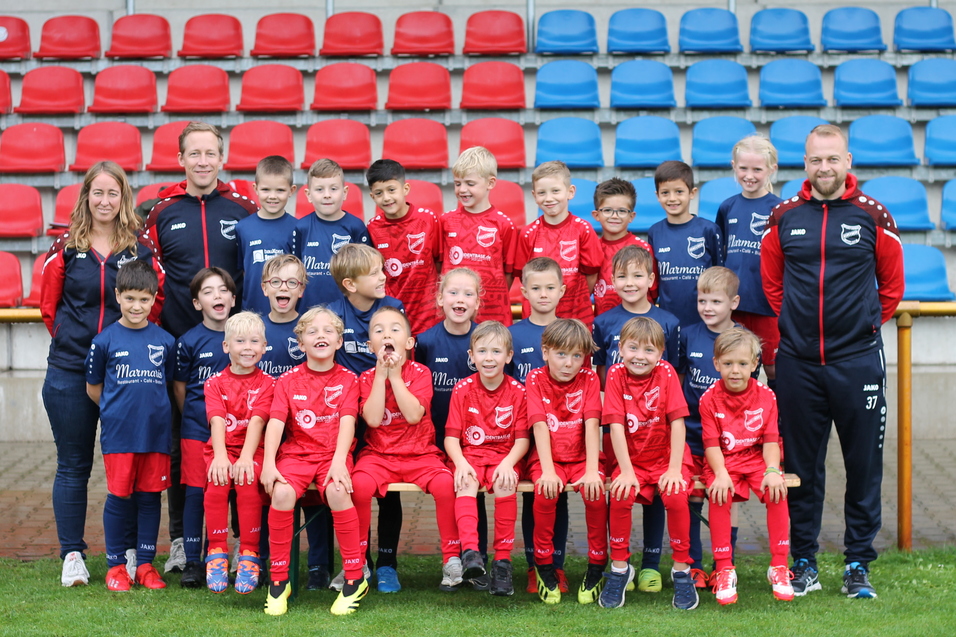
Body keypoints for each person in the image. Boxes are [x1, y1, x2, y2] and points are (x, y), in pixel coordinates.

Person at [761, 124, 904, 599]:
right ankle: (804, 560)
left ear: (848, 162)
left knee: (863, 465)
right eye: (816, 160)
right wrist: (798, 330)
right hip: (799, 364)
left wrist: (861, 329)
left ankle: (858, 563)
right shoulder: (784, 216)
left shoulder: (874, 215)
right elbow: (773, 285)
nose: (825, 168)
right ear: (806, 164)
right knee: (801, 465)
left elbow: (891, 287)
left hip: (858, 362)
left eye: (833, 159)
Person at [140, 121, 257, 571]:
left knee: (239, 438)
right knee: (182, 445)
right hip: (179, 344)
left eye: (211, 153)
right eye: (195, 154)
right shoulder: (159, 210)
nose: (203, 161)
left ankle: (230, 540)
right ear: (181, 160)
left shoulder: (243, 207)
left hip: (235, 347)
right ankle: (182, 542)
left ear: (221, 159)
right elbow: (149, 278)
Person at [41, 161, 163, 587]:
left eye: (113, 193)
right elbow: (48, 307)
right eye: (98, 193)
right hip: (69, 372)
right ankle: (71, 554)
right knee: (73, 465)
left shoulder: (140, 249)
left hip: (128, 377)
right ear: (86, 197)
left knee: (126, 465)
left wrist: (125, 351)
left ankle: (128, 554)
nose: (105, 201)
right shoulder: (65, 248)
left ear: (123, 198)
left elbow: (156, 302)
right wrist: (79, 346)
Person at [260, 308, 368, 616]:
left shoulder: (349, 379)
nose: (320, 336)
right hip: (297, 454)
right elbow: (276, 423)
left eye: (328, 331)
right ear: (301, 343)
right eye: (312, 332)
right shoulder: (287, 381)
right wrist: (269, 462)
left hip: (334, 454)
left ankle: (354, 577)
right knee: (280, 493)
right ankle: (279, 582)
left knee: (337, 491)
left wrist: (338, 462)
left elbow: (348, 422)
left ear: (338, 342)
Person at [350, 307, 462, 592]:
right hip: (379, 455)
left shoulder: (421, 373)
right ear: (370, 346)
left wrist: (396, 377)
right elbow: (373, 419)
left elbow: (414, 415)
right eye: (378, 330)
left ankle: (451, 559)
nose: (387, 334)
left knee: (445, 484)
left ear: (410, 343)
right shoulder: (365, 378)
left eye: (395, 329)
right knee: (359, 485)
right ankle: (358, 561)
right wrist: (380, 376)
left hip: (419, 453)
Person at [592, 244, 679, 594]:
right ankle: (621, 562)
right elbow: (599, 376)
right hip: (619, 426)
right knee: (623, 490)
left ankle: (651, 565)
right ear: (612, 280)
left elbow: (673, 374)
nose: (630, 283)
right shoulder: (603, 321)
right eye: (623, 276)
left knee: (658, 492)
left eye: (638, 276)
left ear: (651, 280)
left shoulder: (669, 322)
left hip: (657, 427)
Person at [85, 260, 175, 591]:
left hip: (155, 435)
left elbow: (165, 385)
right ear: (118, 296)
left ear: (154, 300)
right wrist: (115, 411)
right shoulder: (104, 341)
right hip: (120, 435)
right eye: (130, 299)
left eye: (145, 299)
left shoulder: (165, 341)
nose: (137, 306)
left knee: (151, 498)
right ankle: (116, 567)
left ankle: (146, 566)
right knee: (119, 497)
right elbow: (94, 388)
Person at [600, 317, 698, 611]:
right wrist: (626, 470)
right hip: (632, 460)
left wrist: (673, 468)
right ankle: (620, 568)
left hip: (668, 457)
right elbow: (615, 427)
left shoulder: (667, 373)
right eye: (633, 348)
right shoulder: (615, 375)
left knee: (677, 496)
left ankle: (681, 570)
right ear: (621, 348)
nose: (640, 357)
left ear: (661, 353)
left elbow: (678, 423)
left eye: (649, 350)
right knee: (619, 495)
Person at [327, 244, 405, 593]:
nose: (383, 276)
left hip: (386, 407)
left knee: (389, 490)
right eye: (374, 273)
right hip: (345, 412)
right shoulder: (333, 314)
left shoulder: (393, 309)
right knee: (351, 488)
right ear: (351, 284)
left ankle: (387, 563)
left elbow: (402, 357)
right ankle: (358, 562)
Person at [701, 327, 792, 605]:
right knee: (720, 494)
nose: (735, 371)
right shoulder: (708, 399)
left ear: (754, 364)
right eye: (728, 364)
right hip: (723, 461)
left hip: (756, 458)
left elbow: (770, 440)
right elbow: (712, 444)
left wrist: (773, 470)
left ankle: (778, 565)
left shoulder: (766, 396)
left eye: (742, 364)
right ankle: (724, 567)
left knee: (777, 491)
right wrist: (719, 474)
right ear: (716, 363)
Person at [525, 319, 608, 605]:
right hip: (549, 458)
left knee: (595, 494)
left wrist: (592, 471)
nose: (569, 363)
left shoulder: (589, 378)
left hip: (583, 456)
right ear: (545, 351)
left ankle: (597, 566)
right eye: (561, 354)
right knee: (544, 494)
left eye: (577, 356)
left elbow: (592, 424)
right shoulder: (535, 378)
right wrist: (547, 471)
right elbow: (538, 426)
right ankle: (544, 566)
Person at [444, 321, 529, 597]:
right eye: (482, 351)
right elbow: (451, 439)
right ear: (471, 356)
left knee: (506, 483)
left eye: (496, 351)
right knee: (465, 482)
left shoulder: (518, 391)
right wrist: (461, 464)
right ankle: (471, 553)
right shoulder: (462, 389)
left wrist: (507, 463)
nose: (489, 358)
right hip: (471, 455)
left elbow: (522, 440)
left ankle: (502, 562)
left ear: (509, 356)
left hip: (504, 456)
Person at [507, 257, 572, 594]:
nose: (543, 294)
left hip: (561, 433)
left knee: (555, 496)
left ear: (562, 290)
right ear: (523, 292)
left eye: (550, 288)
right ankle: (534, 565)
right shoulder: (512, 334)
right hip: (520, 433)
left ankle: (555, 565)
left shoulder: (570, 333)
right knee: (531, 499)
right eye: (536, 288)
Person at [202, 312, 275, 594]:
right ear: (226, 346)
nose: (247, 347)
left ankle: (249, 554)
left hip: (253, 450)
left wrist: (245, 457)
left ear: (264, 346)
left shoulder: (269, 383)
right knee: (217, 484)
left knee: (246, 483)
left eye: (254, 341)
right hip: (222, 447)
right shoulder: (214, 383)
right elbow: (217, 419)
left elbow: (258, 420)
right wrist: (221, 457)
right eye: (240, 340)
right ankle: (217, 553)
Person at [677, 266, 741, 587]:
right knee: (692, 496)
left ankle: (723, 565)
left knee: (725, 496)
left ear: (733, 302)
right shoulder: (688, 335)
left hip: (729, 440)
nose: (707, 308)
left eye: (716, 301)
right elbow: (677, 383)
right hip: (691, 434)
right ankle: (695, 565)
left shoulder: (741, 340)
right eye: (703, 300)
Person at [173, 268, 236, 587]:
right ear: (197, 303)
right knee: (197, 495)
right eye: (209, 292)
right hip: (197, 432)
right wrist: (201, 421)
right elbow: (181, 388)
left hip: (237, 434)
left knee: (230, 495)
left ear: (233, 298)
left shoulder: (243, 336)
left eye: (223, 290)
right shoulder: (189, 341)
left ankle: (223, 555)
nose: (217, 296)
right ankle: (193, 562)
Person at [716, 136, 782, 390]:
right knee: (740, 365)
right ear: (734, 166)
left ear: (771, 169)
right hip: (736, 306)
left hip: (769, 305)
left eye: (757, 169)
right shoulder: (727, 207)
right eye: (744, 168)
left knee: (774, 366)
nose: (750, 175)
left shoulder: (780, 209)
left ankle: (780, 426)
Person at [514, 161, 602, 327]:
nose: (549, 198)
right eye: (542, 193)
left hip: (575, 317)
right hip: (537, 318)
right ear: (534, 196)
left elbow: (591, 274)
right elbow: (523, 276)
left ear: (570, 192)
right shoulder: (528, 233)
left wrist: (572, 299)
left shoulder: (583, 229)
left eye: (555, 191)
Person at [438, 146, 517, 325]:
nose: (462, 189)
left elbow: (508, 274)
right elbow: (439, 266)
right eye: (458, 183)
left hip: (492, 313)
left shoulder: (504, 225)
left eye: (470, 183)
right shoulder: (445, 221)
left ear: (490, 183)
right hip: (455, 314)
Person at [366, 158, 443, 334]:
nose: (386, 198)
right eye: (379, 193)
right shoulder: (373, 228)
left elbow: (440, 262)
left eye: (391, 190)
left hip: (429, 313)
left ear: (405, 189)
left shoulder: (428, 220)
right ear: (372, 196)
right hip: (393, 313)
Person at [647, 161, 722, 328]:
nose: (672, 198)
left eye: (679, 191)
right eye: (665, 193)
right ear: (657, 195)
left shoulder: (709, 230)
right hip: (668, 323)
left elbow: (721, 276)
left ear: (692, 193)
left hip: (704, 322)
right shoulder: (655, 232)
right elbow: (654, 281)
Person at [290, 159, 370, 309]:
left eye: (333, 189)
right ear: (308, 194)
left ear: (345, 192)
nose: (327, 195)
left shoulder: (356, 227)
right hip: (309, 310)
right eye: (319, 189)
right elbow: (296, 273)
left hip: (348, 310)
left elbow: (365, 273)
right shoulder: (302, 227)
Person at [235, 156, 299, 317]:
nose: (272, 196)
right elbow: (243, 271)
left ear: (291, 190)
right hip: (252, 312)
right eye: (266, 190)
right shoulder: (243, 227)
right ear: (255, 188)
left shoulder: (298, 228)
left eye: (280, 190)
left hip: (287, 313)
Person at [590, 178, 657, 316]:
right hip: (604, 328)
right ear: (596, 215)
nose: (614, 216)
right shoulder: (592, 248)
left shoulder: (643, 248)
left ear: (631, 216)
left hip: (639, 327)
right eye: (607, 210)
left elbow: (653, 291)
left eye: (621, 211)